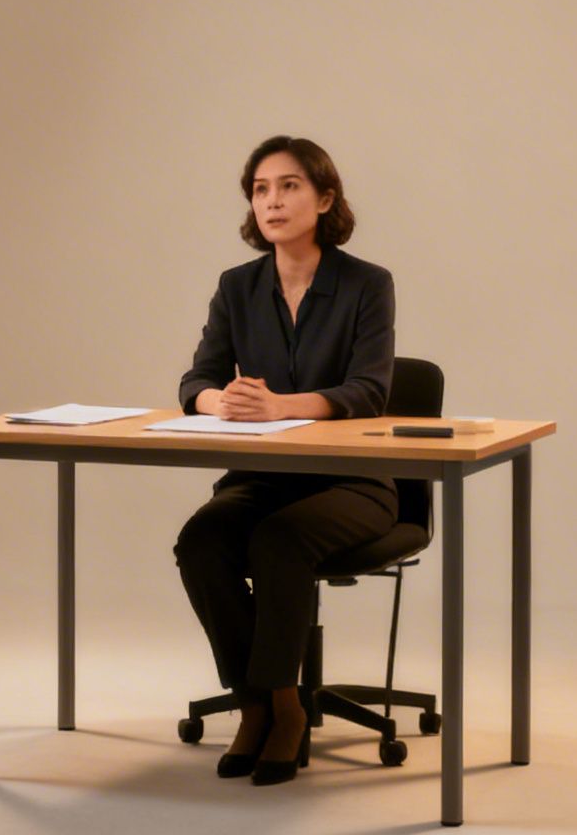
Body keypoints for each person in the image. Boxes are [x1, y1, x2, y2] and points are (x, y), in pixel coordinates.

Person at [173, 134, 396, 786]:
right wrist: (222, 400)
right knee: (202, 542)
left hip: (355, 483)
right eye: (261, 188)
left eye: (290, 186)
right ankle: (254, 701)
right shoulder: (237, 287)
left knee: (279, 541)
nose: (272, 200)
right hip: (263, 476)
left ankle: (284, 708)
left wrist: (283, 407)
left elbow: (370, 390)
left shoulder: (366, 285)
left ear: (325, 198)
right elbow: (197, 379)